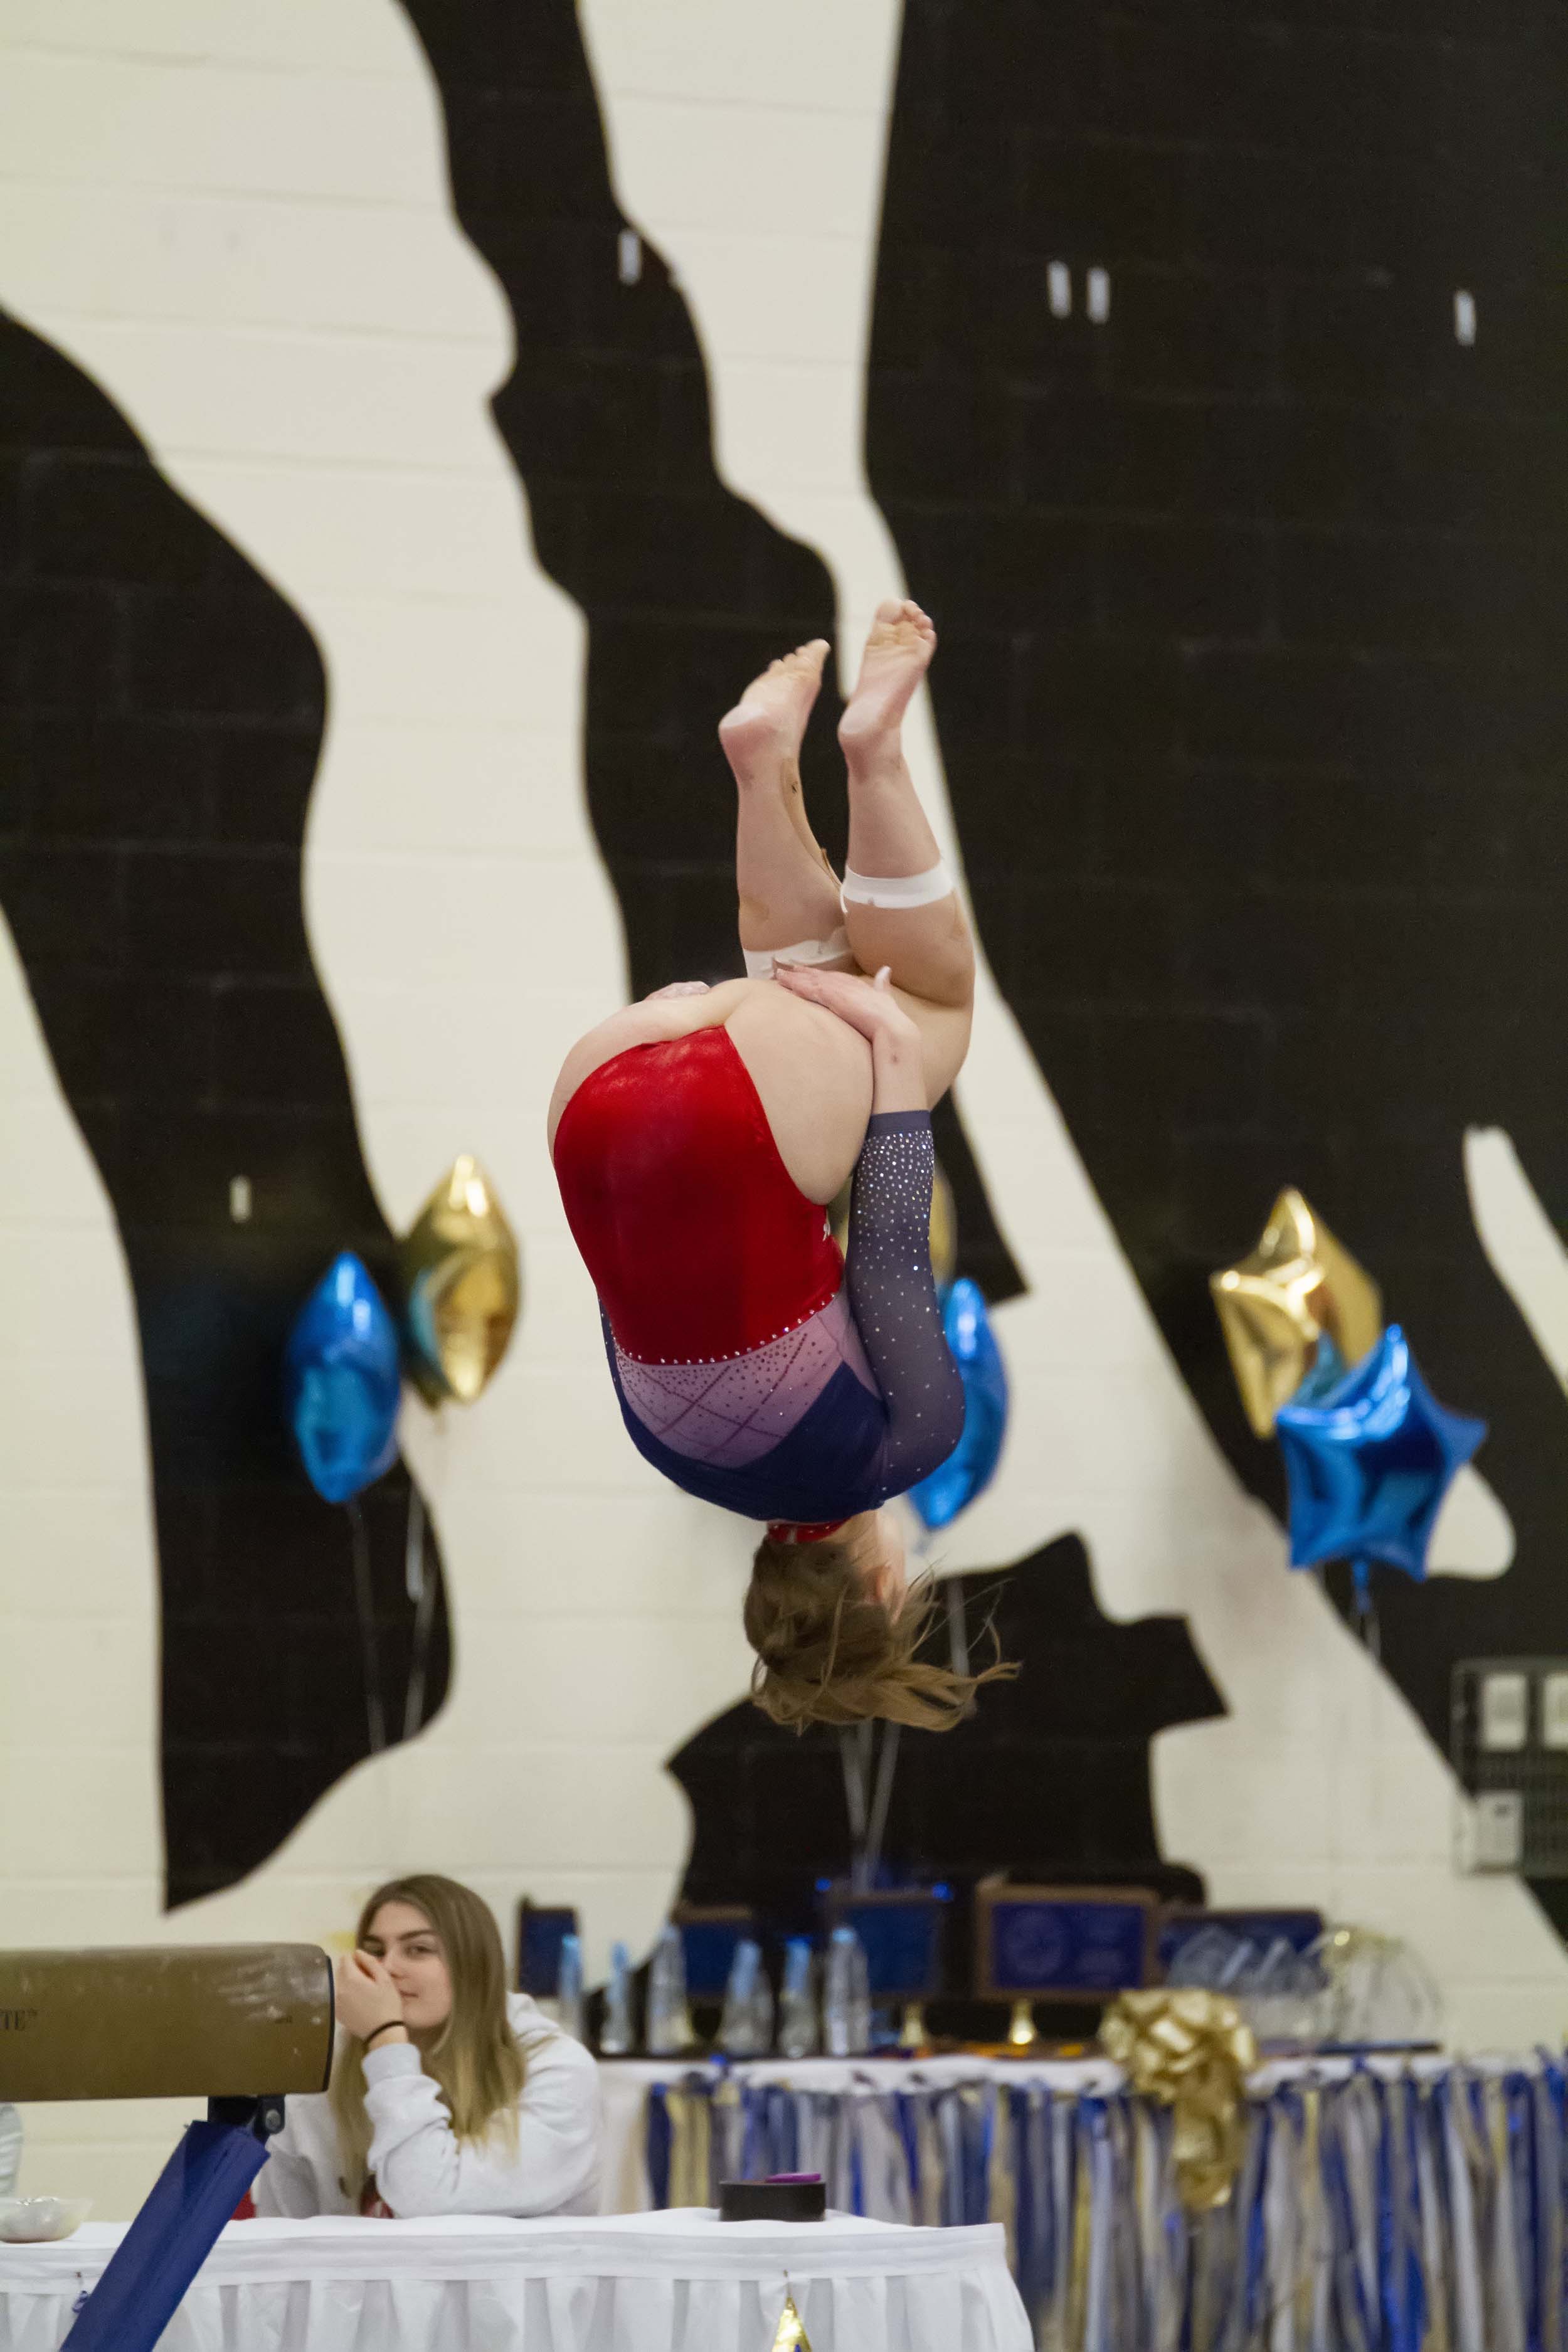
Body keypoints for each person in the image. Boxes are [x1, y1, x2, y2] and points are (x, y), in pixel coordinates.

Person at [551, 600, 1013, 1732]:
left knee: (932, 1004)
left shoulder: (900, 1451)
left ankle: (873, 747)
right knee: (809, 983)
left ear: (885, 1586)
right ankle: (762, 764)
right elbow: (644, 1281)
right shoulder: (677, 1463)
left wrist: (898, 1068)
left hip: (731, 1125)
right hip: (591, 1106)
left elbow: (894, 1257)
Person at [253, 1875, 600, 2218]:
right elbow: (282, 2238)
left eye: (418, 1950)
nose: (388, 1968)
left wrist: (386, 2039)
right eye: (375, 1951)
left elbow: (425, 2198)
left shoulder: (555, 2070)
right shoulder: (321, 2076)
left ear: (474, 1966)